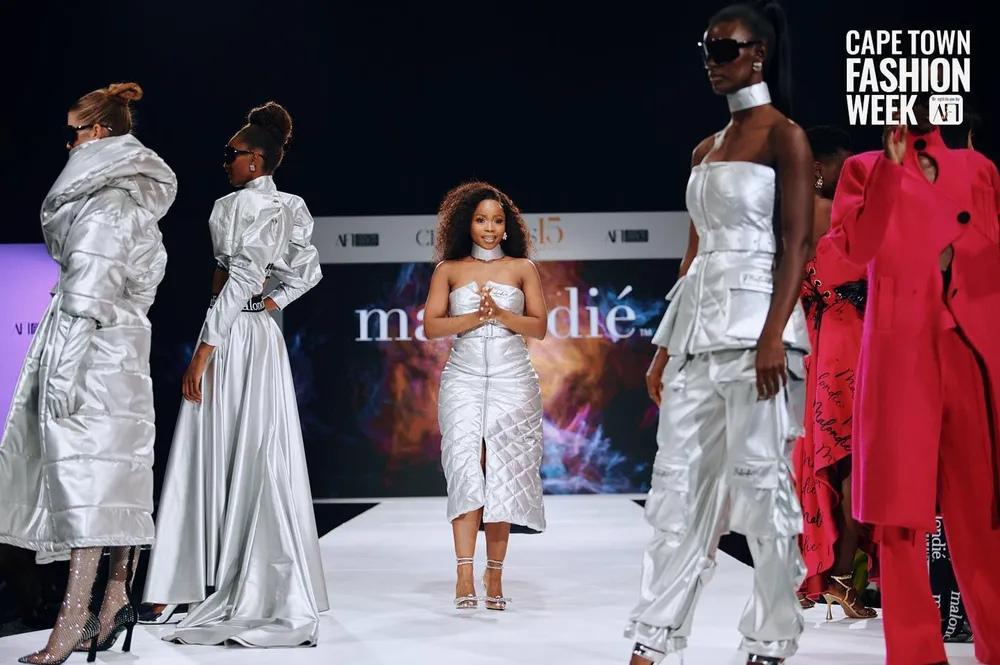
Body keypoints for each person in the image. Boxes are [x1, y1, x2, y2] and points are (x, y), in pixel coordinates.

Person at [627, 2, 813, 663]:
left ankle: (771, 636)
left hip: (758, 332)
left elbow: (796, 245)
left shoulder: (784, 136)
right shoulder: (704, 149)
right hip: (696, 338)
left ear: (759, 54)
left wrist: (773, 335)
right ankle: (655, 635)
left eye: (725, 48)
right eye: (705, 49)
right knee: (676, 489)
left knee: (762, 487)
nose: (712, 60)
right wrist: (663, 349)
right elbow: (693, 257)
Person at [0, 81, 176, 663]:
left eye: (74, 132)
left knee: (90, 483)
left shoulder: (105, 206)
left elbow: (86, 295)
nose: (69, 143)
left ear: (99, 133)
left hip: (91, 354)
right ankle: (114, 600)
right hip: (121, 350)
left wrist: (61, 374)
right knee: (117, 479)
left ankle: (74, 617)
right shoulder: (131, 202)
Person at [141, 102, 327, 647]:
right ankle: (219, 578)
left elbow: (239, 278)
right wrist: (272, 304)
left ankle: (192, 584)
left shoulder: (240, 206)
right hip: (258, 336)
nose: (225, 161)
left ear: (256, 160)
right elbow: (308, 271)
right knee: (256, 446)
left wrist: (203, 352)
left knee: (215, 444)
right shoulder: (290, 206)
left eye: (232, 153)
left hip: (232, 337)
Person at [828, 96, 1000, 664]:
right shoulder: (864, 169)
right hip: (901, 353)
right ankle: (915, 654)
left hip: (971, 348)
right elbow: (850, 252)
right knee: (899, 518)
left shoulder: (979, 169)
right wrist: (890, 171)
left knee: (982, 510)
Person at [422, 182, 547, 610]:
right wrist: (477, 316)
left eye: (496, 220)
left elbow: (539, 327)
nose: (489, 228)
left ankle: (494, 575)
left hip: (515, 380)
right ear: (468, 224)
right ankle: (463, 573)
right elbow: (432, 326)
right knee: (464, 469)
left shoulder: (522, 268)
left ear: (507, 226)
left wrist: (504, 315)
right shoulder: (449, 270)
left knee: (505, 472)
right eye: (481, 220)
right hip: (464, 377)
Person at [791, 125, 878, 619]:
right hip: (851, 347)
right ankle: (842, 576)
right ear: (820, 169)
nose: (856, 177)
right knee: (850, 461)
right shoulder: (834, 215)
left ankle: (831, 575)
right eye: (847, 169)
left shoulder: (792, 216)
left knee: (837, 460)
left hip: (825, 347)